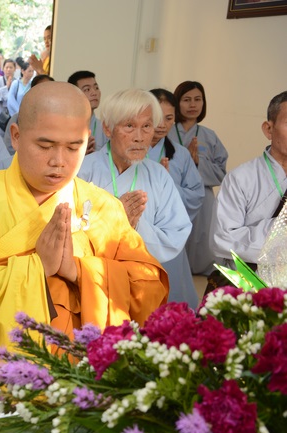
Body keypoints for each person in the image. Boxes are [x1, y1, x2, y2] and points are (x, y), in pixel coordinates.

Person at [0, 82, 169, 375]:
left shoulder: (103, 207)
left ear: (88, 140)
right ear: (16, 136)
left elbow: (149, 289)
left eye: (73, 147)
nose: (59, 161)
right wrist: (39, 268)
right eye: (45, 146)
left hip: (84, 380)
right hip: (9, 378)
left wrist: (78, 271)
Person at [77, 89, 191, 296]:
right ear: (108, 129)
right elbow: (69, 233)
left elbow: (175, 234)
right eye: (129, 126)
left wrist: (136, 226)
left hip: (141, 284)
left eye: (146, 126)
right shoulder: (82, 170)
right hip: (91, 280)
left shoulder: (158, 175)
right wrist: (113, 219)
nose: (139, 138)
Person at [212, 91, 287, 268]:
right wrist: (280, 227)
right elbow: (222, 239)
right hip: (253, 279)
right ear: (268, 129)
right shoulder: (241, 178)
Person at [148, 88, 205, 308]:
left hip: (168, 234)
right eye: (156, 117)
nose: (162, 124)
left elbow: (196, 195)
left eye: (169, 118)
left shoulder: (180, 154)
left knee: (171, 299)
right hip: (136, 234)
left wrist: (168, 187)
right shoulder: (129, 152)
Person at [167, 81, 228, 275]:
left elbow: (221, 172)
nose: (192, 105)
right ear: (177, 103)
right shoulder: (166, 131)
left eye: (197, 99)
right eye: (186, 100)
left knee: (201, 240)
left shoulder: (209, 136)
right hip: (171, 194)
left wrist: (198, 163)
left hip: (202, 196)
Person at [4, 74, 55, 154]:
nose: (46, 94)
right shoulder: (18, 118)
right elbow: (9, 147)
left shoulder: (60, 119)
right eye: (41, 90)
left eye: (50, 90)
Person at [68, 70, 108, 153]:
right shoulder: (64, 126)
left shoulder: (105, 128)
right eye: (87, 89)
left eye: (96, 88)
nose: (94, 93)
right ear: (73, 95)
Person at [0, 58, 16, 133]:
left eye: (11, 67)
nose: (8, 69)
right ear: (3, 68)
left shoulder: (17, 82)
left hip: (12, 111)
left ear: (15, 69)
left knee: (10, 132)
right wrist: (6, 87)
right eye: (7, 67)